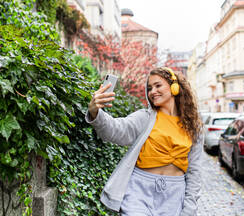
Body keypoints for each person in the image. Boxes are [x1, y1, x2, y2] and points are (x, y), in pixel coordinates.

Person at [86, 67, 203, 216]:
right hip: (139, 189)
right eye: (149, 88)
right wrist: (95, 111)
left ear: (174, 86)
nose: (152, 91)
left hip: (174, 195)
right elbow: (116, 130)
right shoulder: (145, 118)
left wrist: (189, 207)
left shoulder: (194, 126)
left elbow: (194, 172)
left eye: (158, 85)